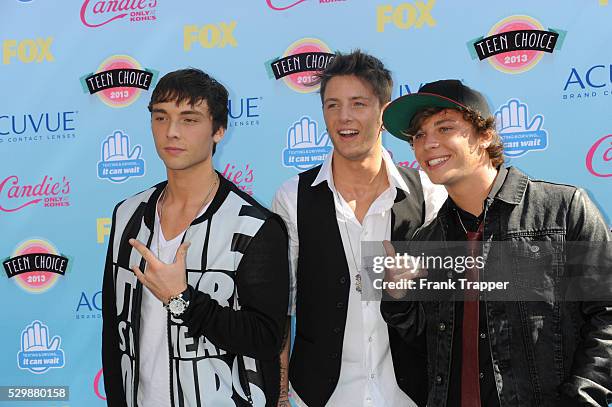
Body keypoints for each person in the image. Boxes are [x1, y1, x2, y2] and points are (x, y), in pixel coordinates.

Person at [380, 79, 612, 406]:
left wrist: (581, 399)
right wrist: (398, 297)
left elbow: (608, 316)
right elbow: (432, 342)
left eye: (444, 128)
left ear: (485, 135)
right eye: (418, 135)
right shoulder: (428, 239)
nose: (428, 143)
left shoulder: (563, 210)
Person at [101, 68, 289, 407]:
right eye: (161, 117)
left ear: (218, 130)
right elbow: (112, 331)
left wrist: (182, 300)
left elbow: (266, 338)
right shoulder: (127, 214)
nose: (171, 132)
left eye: (189, 120)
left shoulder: (254, 226)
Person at [272, 50, 447, 407]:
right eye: (332, 105)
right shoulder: (293, 198)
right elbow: (281, 306)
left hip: (409, 395)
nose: (344, 117)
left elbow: (446, 307)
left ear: (383, 112)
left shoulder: (429, 193)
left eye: (358, 103)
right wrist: (280, 392)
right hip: (319, 396)